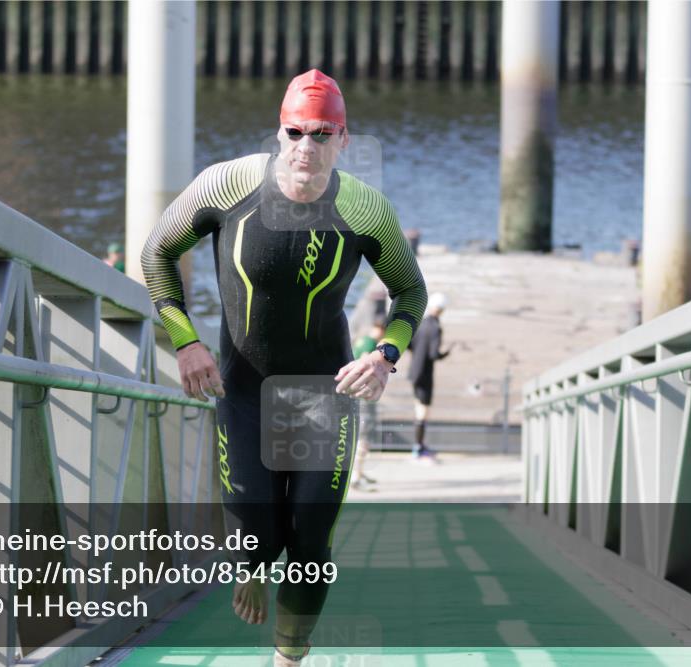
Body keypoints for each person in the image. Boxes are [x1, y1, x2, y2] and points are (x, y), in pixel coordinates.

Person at [140, 69, 427, 666]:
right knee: (257, 539)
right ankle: (252, 565)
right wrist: (186, 340)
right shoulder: (226, 185)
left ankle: (288, 657)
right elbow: (157, 252)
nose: (307, 146)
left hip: (325, 393)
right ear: (279, 131)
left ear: (343, 141)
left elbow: (411, 296)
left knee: (310, 540)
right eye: (296, 131)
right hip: (244, 390)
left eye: (322, 134)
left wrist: (385, 356)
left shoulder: (365, 208)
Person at [407, 292, 452, 464]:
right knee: (423, 412)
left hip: (414, 371)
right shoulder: (436, 327)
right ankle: (419, 448)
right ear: (441, 310)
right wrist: (445, 353)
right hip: (425, 373)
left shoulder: (420, 324)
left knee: (419, 409)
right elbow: (434, 354)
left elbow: (409, 345)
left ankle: (418, 446)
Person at [351, 317, 387, 491]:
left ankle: (359, 472)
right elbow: (368, 368)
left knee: (360, 435)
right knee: (363, 437)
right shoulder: (372, 345)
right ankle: (356, 477)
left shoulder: (362, 339)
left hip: (355, 394)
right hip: (364, 396)